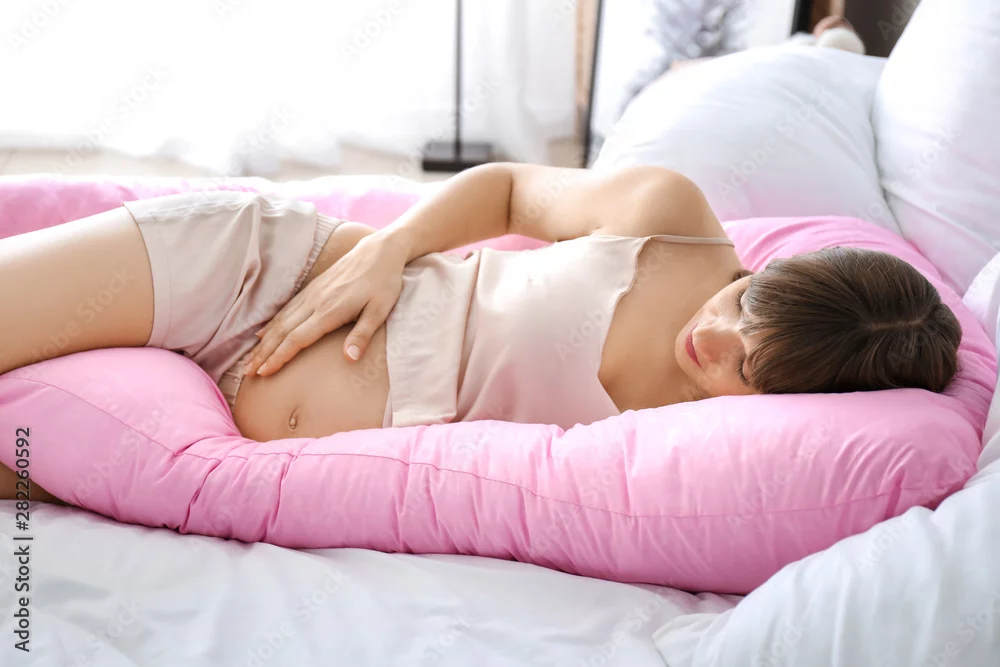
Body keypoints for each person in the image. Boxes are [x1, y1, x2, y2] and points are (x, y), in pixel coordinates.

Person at [0, 164, 963, 504]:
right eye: (743, 301)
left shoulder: (729, 449)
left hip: (206, 424)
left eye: (748, 364)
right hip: (252, 270)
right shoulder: (671, 222)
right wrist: (390, 250)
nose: (712, 336)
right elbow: (506, 189)